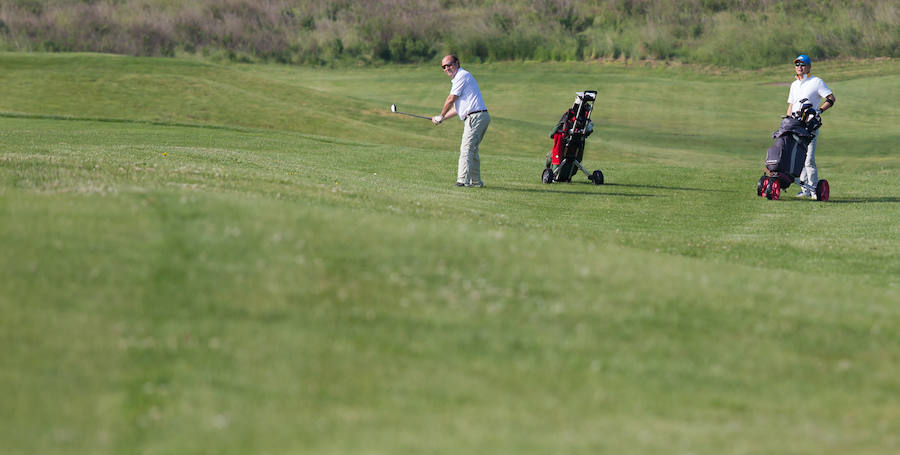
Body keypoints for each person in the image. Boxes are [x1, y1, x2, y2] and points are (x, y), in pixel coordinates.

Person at [432, 54, 490, 188]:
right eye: (444, 67)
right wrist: (442, 118)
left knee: (466, 149)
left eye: (449, 64)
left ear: (457, 63)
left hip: (476, 117)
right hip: (479, 116)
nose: (447, 68)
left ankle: (462, 180)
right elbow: (458, 108)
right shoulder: (460, 78)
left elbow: (451, 99)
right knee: (472, 150)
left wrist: (441, 114)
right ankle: (476, 182)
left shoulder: (461, 75)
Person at [787, 54, 836, 198]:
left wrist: (819, 110)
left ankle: (815, 189)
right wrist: (787, 122)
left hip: (810, 125)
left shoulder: (816, 82)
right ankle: (805, 190)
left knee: (809, 160)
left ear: (809, 67)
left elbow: (831, 98)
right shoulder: (794, 84)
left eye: (802, 65)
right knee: (799, 159)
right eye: (797, 65)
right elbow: (791, 105)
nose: (799, 67)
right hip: (795, 124)